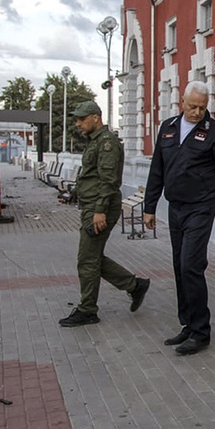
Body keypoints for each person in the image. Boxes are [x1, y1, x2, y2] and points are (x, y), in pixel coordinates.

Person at [143, 81, 215, 355]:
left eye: (202, 107)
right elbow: (157, 170)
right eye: (192, 106)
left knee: (191, 264)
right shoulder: (167, 128)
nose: (197, 112)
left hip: (201, 207)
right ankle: (188, 325)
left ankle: (201, 332)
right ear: (182, 102)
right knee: (180, 265)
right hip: (175, 206)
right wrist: (149, 206)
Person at [59, 101, 150, 327]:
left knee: (87, 260)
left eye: (81, 119)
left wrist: (99, 211)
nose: (78, 123)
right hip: (92, 205)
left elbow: (109, 180)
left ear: (96, 118)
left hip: (100, 209)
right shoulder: (96, 142)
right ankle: (134, 286)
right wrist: (75, 192)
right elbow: (92, 174)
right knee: (92, 257)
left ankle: (88, 309)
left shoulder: (107, 143)